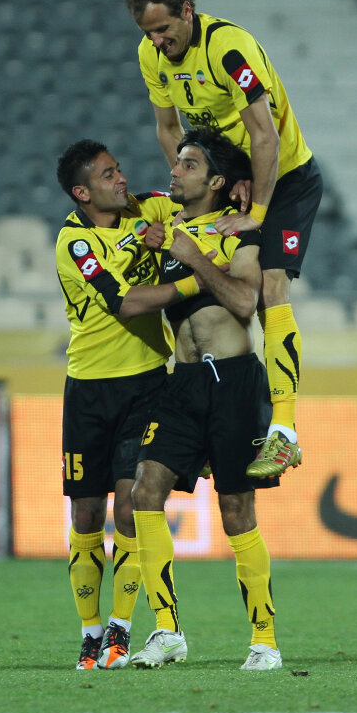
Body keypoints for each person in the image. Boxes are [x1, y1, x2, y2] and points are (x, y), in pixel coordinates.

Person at [124, 0, 324, 480]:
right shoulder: (151, 56)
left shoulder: (228, 49)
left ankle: (283, 433)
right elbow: (169, 129)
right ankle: (217, 425)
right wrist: (197, 197)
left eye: (164, 29)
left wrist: (257, 212)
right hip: (231, 174)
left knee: (269, 290)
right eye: (148, 33)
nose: (157, 41)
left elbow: (265, 136)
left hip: (285, 176)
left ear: (187, 11)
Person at [128, 127, 284, 671]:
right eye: (177, 162)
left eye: (189, 164)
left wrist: (193, 255)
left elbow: (243, 302)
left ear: (217, 182)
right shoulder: (167, 229)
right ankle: (167, 630)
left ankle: (264, 640)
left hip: (234, 381)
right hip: (183, 381)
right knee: (145, 491)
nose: (175, 170)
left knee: (236, 509)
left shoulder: (240, 233)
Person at [54, 139, 195, 670]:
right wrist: (192, 279)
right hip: (89, 389)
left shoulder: (149, 206)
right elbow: (124, 301)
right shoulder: (74, 243)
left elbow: (199, 202)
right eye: (108, 175)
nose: (121, 179)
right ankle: (89, 632)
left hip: (146, 385)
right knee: (86, 512)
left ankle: (120, 627)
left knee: (132, 504)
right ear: (82, 192)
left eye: (118, 170)